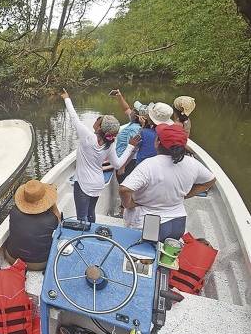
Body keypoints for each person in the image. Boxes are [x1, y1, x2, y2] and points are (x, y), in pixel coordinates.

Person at [119, 124, 216, 241]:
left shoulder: (149, 165)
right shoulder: (193, 163)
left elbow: (124, 189)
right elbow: (210, 181)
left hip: (150, 223)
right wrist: (184, 195)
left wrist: (128, 204)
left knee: (143, 255)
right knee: (166, 255)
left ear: (157, 143)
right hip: (177, 224)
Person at [60, 89, 139, 222]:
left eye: (100, 120)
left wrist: (66, 98)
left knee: (81, 217)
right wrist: (130, 146)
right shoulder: (110, 143)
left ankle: (83, 239)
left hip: (83, 183)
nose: (97, 120)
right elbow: (118, 165)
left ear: (100, 128)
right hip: (98, 183)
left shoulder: (87, 137)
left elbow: (74, 117)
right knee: (91, 213)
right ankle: (91, 234)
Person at [5, 180, 60, 271]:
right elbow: (60, 224)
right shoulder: (51, 219)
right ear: (46, 200)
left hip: (11, 258)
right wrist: (52, 202)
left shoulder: (13, 211)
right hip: (38, 264)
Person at [110, 90, 143, 183]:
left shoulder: (134, 129)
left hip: (127, 163)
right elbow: (126, 109)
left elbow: (133, 149)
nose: (130, 110)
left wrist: (122, 166)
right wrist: (119, 97)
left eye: (133, 110)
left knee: (125, 187)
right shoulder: (134, 122)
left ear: (136, 115)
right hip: (122, 159)